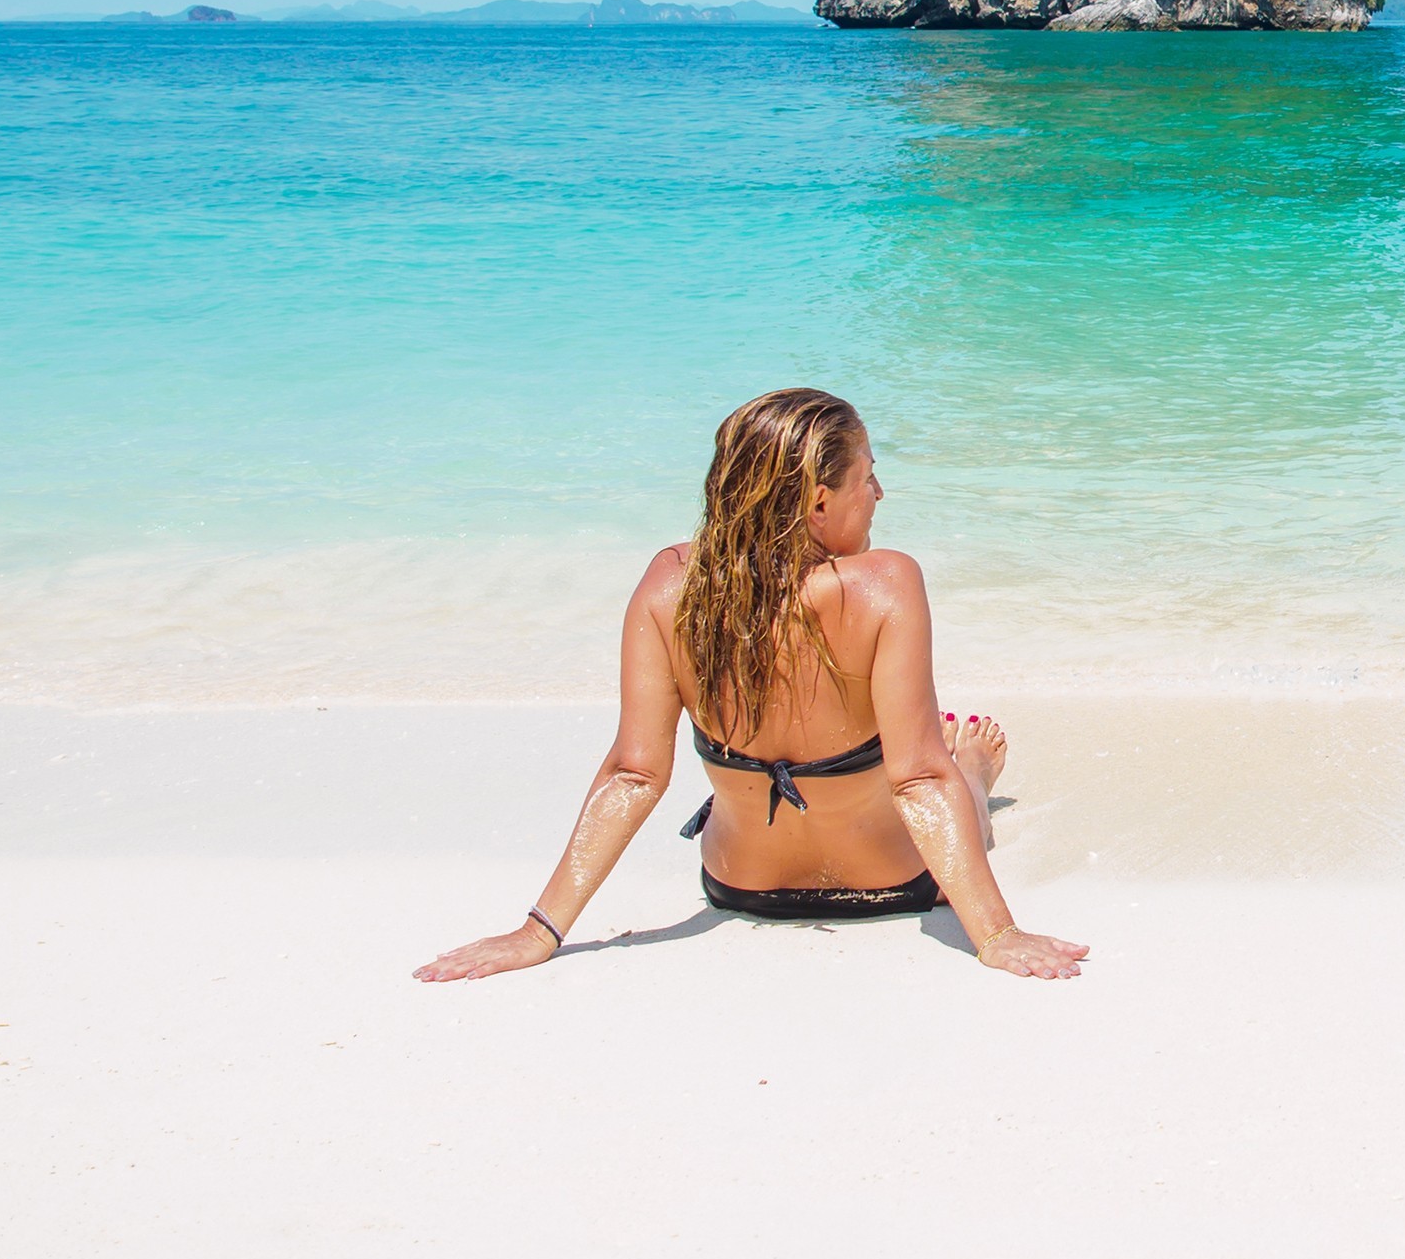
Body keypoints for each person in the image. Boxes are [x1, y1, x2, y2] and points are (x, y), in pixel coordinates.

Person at [414, 388, 1088, 984]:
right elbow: (916, 779)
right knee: (948, 773)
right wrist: (998, 935)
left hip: (740, 886)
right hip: (896, 883)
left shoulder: (670, 587)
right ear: (820, 500)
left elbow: (633, 774)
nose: (878, 494)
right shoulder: (886, 584)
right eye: (868, 477)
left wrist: (538, 931)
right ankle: (976, 768)